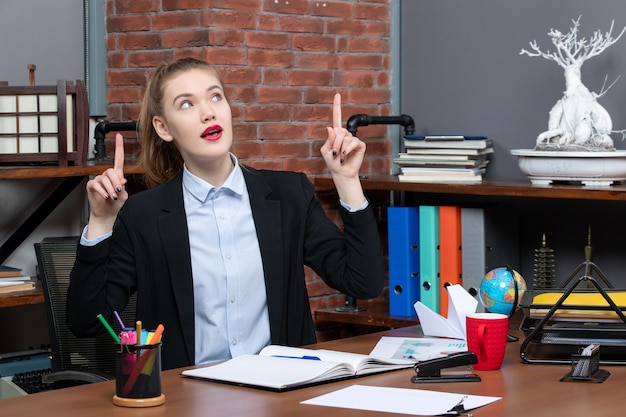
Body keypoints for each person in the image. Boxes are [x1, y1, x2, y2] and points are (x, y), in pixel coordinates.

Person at [67, 57, 384, 370]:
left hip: (282, 393)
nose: (208, 112)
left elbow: (362, 283)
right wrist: (101, 223)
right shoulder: (143, 215)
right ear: (163, 128)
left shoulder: (289, 196)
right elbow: (87, 322)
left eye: (215, 96)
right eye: (187, 104)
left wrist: (347, 181)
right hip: (187, 399)